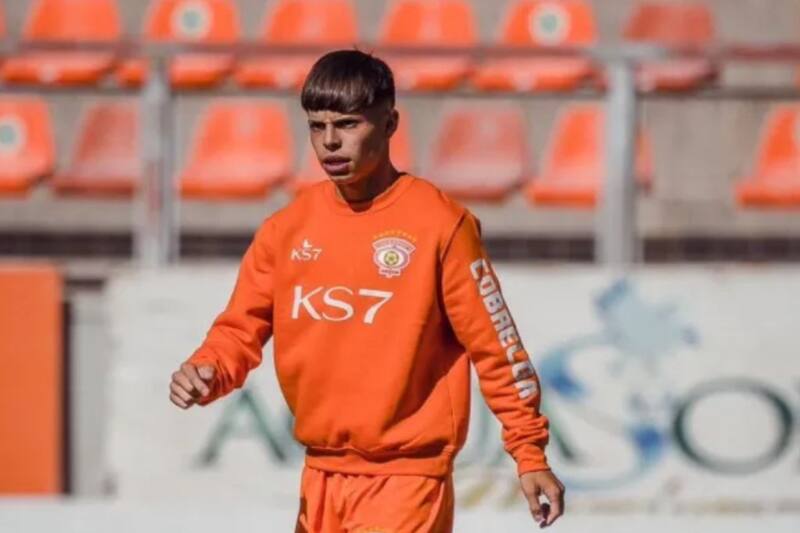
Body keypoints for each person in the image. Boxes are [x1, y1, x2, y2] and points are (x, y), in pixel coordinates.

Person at [168, 49, 565, 532]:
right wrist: (208, 369)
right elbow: (240, 328)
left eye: (349, 124)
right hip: (320, 479)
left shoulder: (441, 225)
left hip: (407, 481)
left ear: (390, 122)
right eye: (317, 126)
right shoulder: (287, 228)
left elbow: (498, 349)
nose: (331, 142)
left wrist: (529, 453)